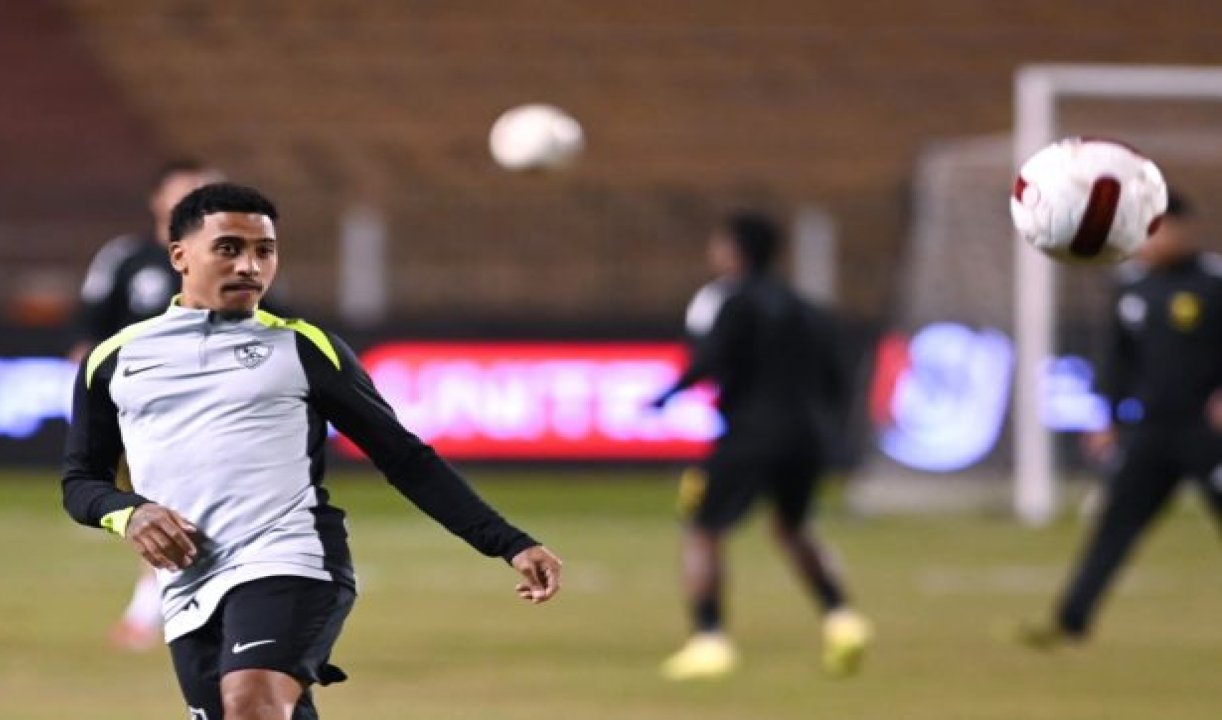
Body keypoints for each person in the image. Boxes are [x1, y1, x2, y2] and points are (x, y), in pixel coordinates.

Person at [61, 182, 563, 719]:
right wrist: (128, 512)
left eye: (265, 250)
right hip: (188, 584)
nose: (250, 265)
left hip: (291, 558)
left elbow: (404, 458)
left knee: (251, 702)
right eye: (229, 248)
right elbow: (81, 482)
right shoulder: (114, 360)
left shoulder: (302, 348)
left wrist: (508, 542)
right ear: (180, 256)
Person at [649, 210, 870, 680]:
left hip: (749, 435)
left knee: (702, 527)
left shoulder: (734, 302)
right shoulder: (811, 309)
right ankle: (841, 617)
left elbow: (711, 358)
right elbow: (838, 379)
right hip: (806, 438)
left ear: (734, 251)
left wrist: (667, 395)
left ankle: (709, 639)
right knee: (793, 528)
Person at [1018, 190, 1222, 648]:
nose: (1148, 241)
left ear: (1182, 229)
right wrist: (1106, 416)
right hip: (1150, 431)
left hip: (1207, 433)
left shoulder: (1213, 281)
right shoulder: (1131, 286)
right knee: (1115, 524)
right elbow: (1119, 360)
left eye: (1158, 229)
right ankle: (1070, 621)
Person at [68, 159, 226, 651]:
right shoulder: (126, 258)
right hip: (134, 404)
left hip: (204, 405)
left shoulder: (228, 259)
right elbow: (89, 331)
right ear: (158, 200)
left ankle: (153, 611)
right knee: (153, 502)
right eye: (185, 190)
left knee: (174, 501)